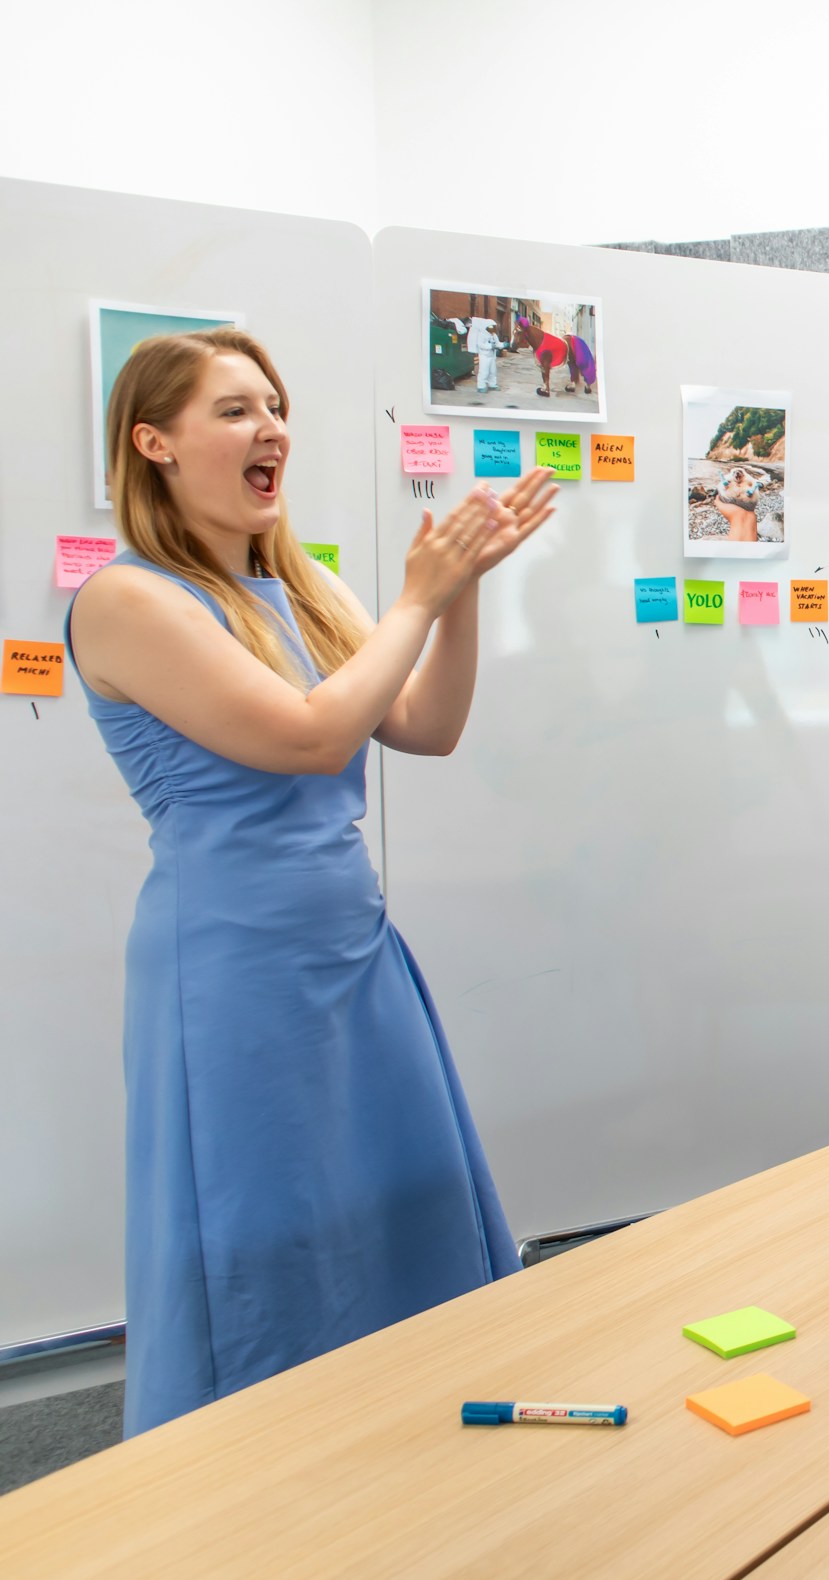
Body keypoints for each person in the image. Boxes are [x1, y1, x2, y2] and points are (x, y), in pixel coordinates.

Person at [65, 327, 560, 1434]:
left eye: (275, 406)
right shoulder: (127, 601)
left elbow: (424, 727)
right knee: (263, 1228)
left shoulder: (305, 588)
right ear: (154, 442)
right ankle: (252, 1479)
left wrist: (461, 589)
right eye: (235, 409)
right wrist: (416, 602)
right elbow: (303, 736)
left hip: (352, 945)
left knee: (398, 1210)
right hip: (230, 966)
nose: (270, 427)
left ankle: (396, 1450)